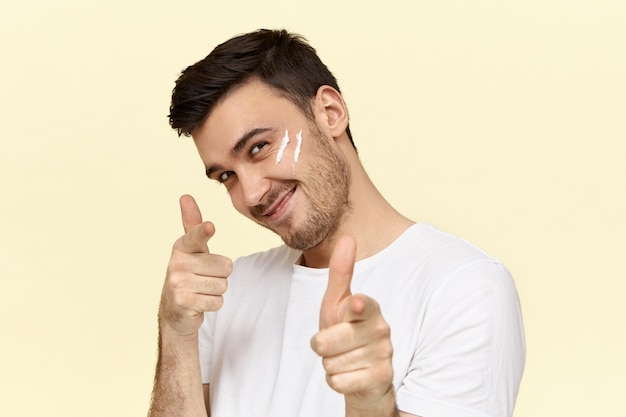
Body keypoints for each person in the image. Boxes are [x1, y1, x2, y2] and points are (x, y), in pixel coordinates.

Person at [148, 29, 525, 417]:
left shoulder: (462, 287)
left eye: (259, 147)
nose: (251, 194)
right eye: (226, 176)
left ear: (330, 113)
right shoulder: (227, 293)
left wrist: (369, 406)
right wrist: (175, 332)